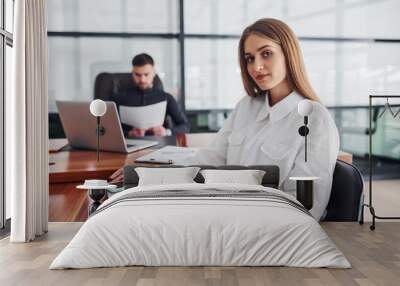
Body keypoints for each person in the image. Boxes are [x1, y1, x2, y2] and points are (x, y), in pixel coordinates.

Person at [110, 18, 339, 221]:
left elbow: (307, 206)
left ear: (288, 53)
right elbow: (210, 158)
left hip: (262, 225)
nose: (256, 67)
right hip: (224, 210)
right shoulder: (246, 107)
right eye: (249, 58)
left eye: (266, 53)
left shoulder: (315, 119)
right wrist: (150, 170)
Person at [112, 53, 190, 137]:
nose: (142, 80)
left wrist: (166, 132)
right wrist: (129, 133)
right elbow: (108, 129)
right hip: (129, 144)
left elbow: (185, 126)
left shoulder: (166, 97)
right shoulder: (119, 98)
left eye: (146, 74)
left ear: (153, 73)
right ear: (132, 73)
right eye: (137, 75)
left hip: (159, 143)